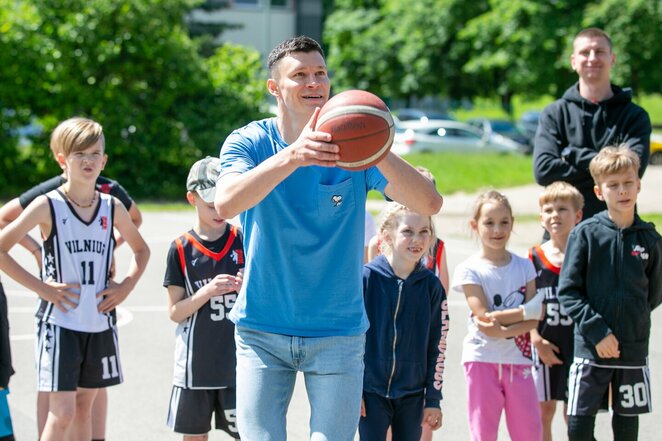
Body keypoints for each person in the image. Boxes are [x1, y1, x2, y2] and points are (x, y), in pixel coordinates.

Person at [214, 36, 442, 440]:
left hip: (337, 330)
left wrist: (378, 143)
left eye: (320, 73)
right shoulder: (249, 142)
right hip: (263, 327)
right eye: (299, 75)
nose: (313, 82)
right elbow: (226, 204)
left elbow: (428, 201)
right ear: (274, 88)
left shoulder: (355, 151)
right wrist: (294, 155)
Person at [0, 117, 150, 441]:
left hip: (98, 321)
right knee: (63, 411)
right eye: (79, 153)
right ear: (62, 159)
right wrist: (41, 287)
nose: (88, 160)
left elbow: (142, 250)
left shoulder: (111, 206)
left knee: (85, 409)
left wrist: (125, 286)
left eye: (95, 153)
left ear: (104, 160)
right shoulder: (47, 205)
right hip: (61, 322)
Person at [558, 145, 662, 441]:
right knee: (579, 428)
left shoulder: (651, 239)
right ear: (599, 191)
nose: (622, 190)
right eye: (613, 185)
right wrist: (598, 332)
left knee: (627, 428)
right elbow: (569, 292)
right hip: (591, 350)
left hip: (632, 350)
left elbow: (652, 294)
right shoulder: (585, 235)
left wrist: (632, 323)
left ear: (638, 185)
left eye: (628, 182)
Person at [533, 27, 651, 221]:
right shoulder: (554, 114)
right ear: (573, 61)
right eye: (585, 52)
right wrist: (609, 169)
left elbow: (631, 171)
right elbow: (544, 171)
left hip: (618, 231)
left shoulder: (634, 116)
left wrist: (572, 154)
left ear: (612, 59)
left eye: (600, 52)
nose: (592, 58)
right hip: (563, 234)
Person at [452, 190, 543, 441]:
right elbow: (483, 320)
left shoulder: (525, 266)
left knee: (529, 433)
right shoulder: (469, 269)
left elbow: (535, 319)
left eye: (504, 222)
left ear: (512, 223)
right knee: (484, 434)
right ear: (475, 225)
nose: (497, 229)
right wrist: (523, 315)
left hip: (519, 361)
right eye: (489, 222)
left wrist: (506, 324)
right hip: (482, 359)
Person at [164, 157, 243, 441]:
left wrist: (249, 286)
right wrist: (206, 292)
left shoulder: (243, 239)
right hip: (195, 367)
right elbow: (175, 312)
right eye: (211, 203)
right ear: (191, 199)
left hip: (238, 363)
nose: (218, 209)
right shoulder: (180, 249)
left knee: (248, 433)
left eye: (222, 201)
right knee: (195, 436)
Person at [359, 202, 447, 441]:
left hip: (413, 395)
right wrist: (354, 389)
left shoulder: (432, 287)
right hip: (370, 392)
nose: (416, 239)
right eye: (408, 231)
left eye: (424, 231)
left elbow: (438, 346)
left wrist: (433, 399)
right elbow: (351, 340)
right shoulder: (368, 279)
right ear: (387, 235)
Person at [529, 182, 584, 441]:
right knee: (544, 410)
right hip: (544, 344)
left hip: (579, 345)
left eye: (562, 209)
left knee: (574, 414)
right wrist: (535, 340)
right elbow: (526, 306)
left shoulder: (586, 256)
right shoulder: (533, 257)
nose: (555, 215)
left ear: (578, 215)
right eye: (548, 210)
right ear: (541, 218)